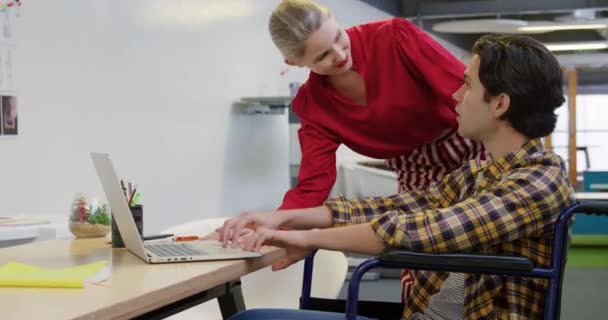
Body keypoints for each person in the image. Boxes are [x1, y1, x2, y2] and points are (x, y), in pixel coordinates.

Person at [221, 34, 575, 319]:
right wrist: (281, 218)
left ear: (499, 104)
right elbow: (393, 206)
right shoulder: (480, 174)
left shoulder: (540, 181)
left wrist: (309, 239)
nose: (455, 95)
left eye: (467, 85)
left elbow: (422, 229)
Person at [212, 0, 487, 305]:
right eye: (323, 55)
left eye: (339, 38)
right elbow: (312, 185)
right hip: (415, 168)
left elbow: (466, 93)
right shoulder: (313, 104)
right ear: (294, 62)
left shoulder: (395, 37)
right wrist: (275, 226)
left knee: (483, 249)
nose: (341, 54)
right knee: (422, 267)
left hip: (473, 140)